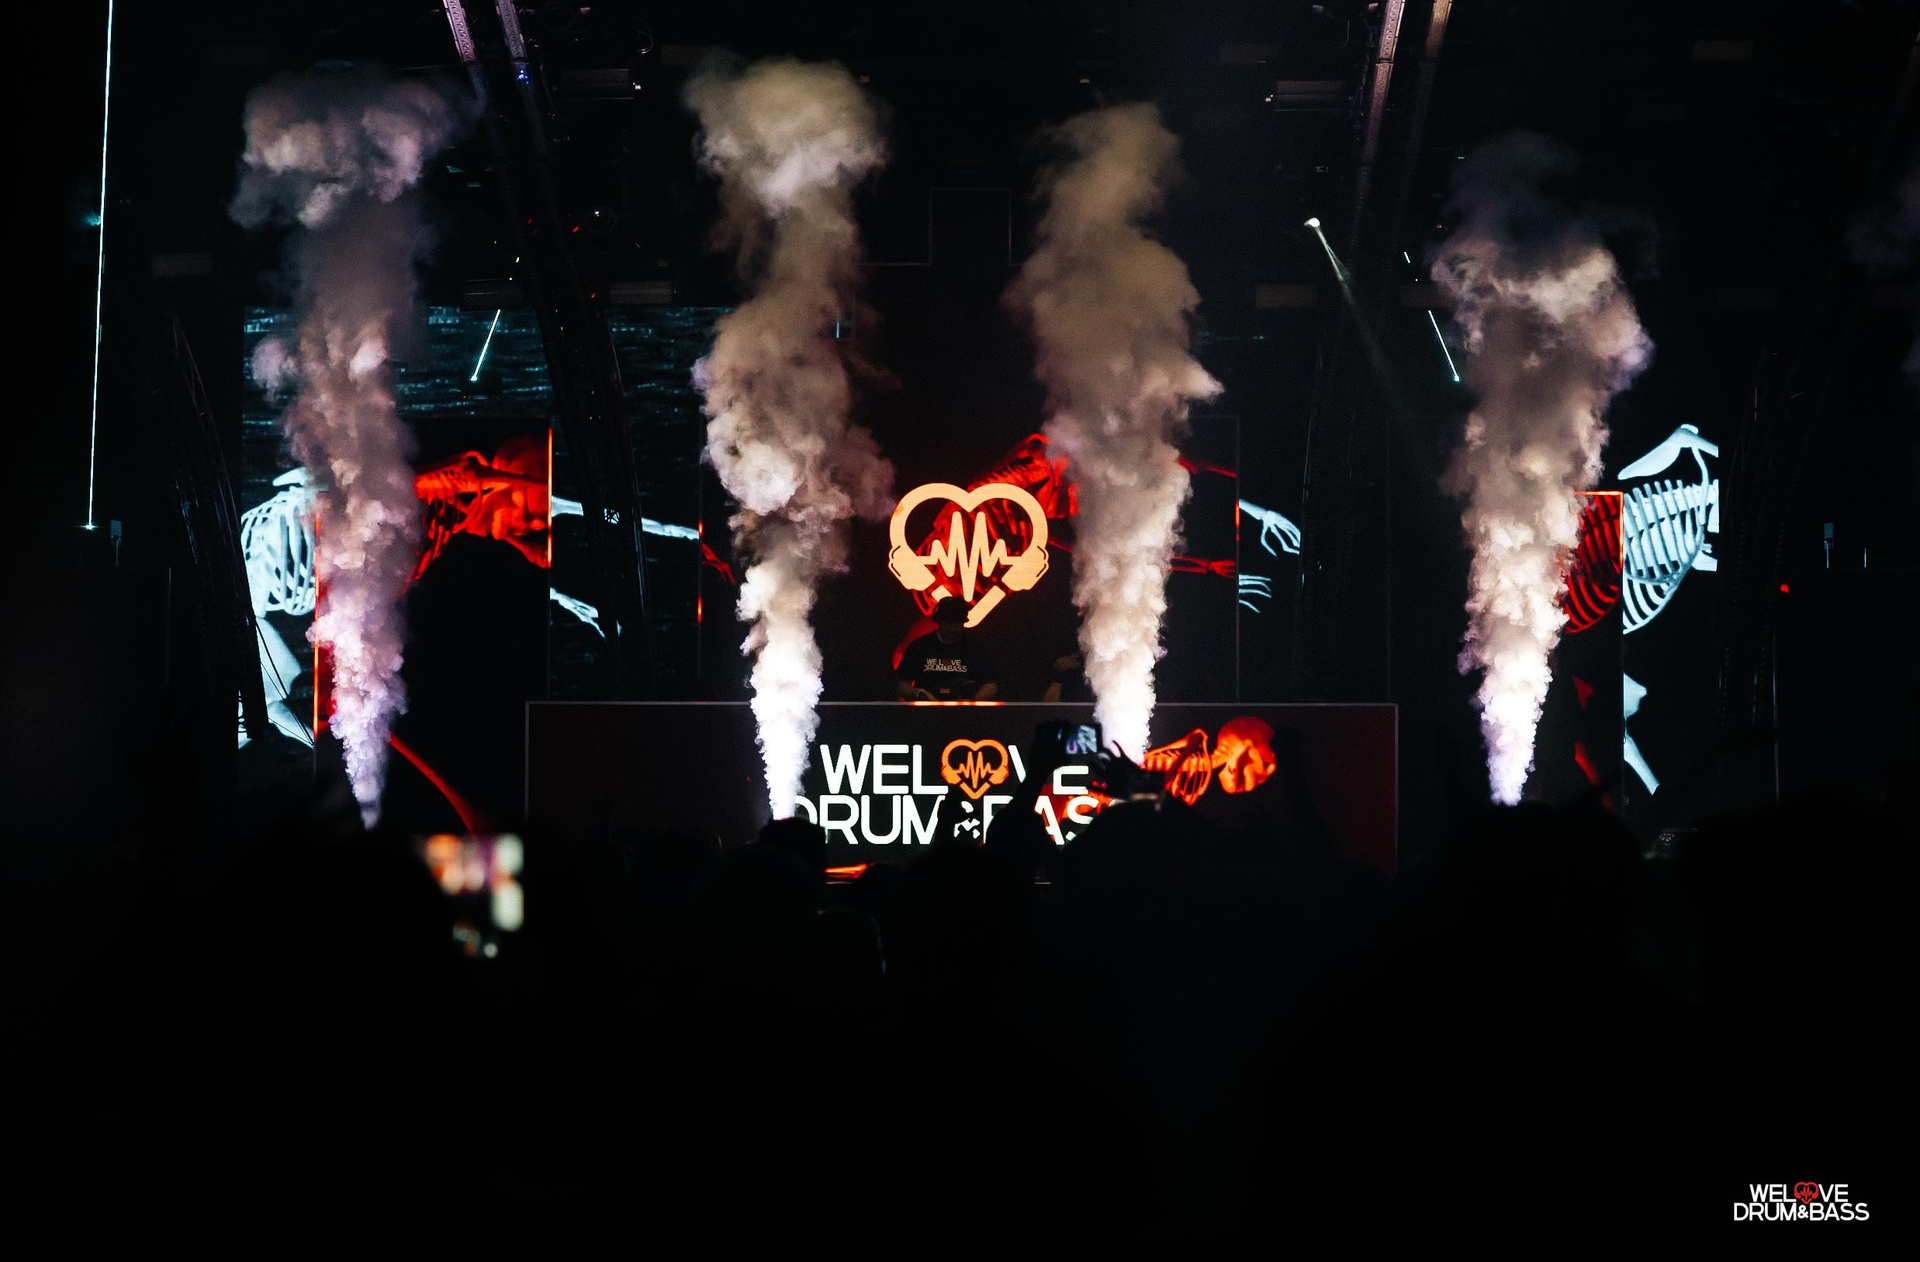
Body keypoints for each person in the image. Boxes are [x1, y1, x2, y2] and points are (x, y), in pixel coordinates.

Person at [896, 597, 999, 701]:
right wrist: (919, 694)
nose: (952, 628)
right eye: (948, 622)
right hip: (926, 709)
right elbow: (901, 683)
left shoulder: (976, 648)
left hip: (965, 709)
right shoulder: (920, 646)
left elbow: (991, 685)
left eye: (957, 623)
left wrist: (972, 701)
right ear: (938, 621)